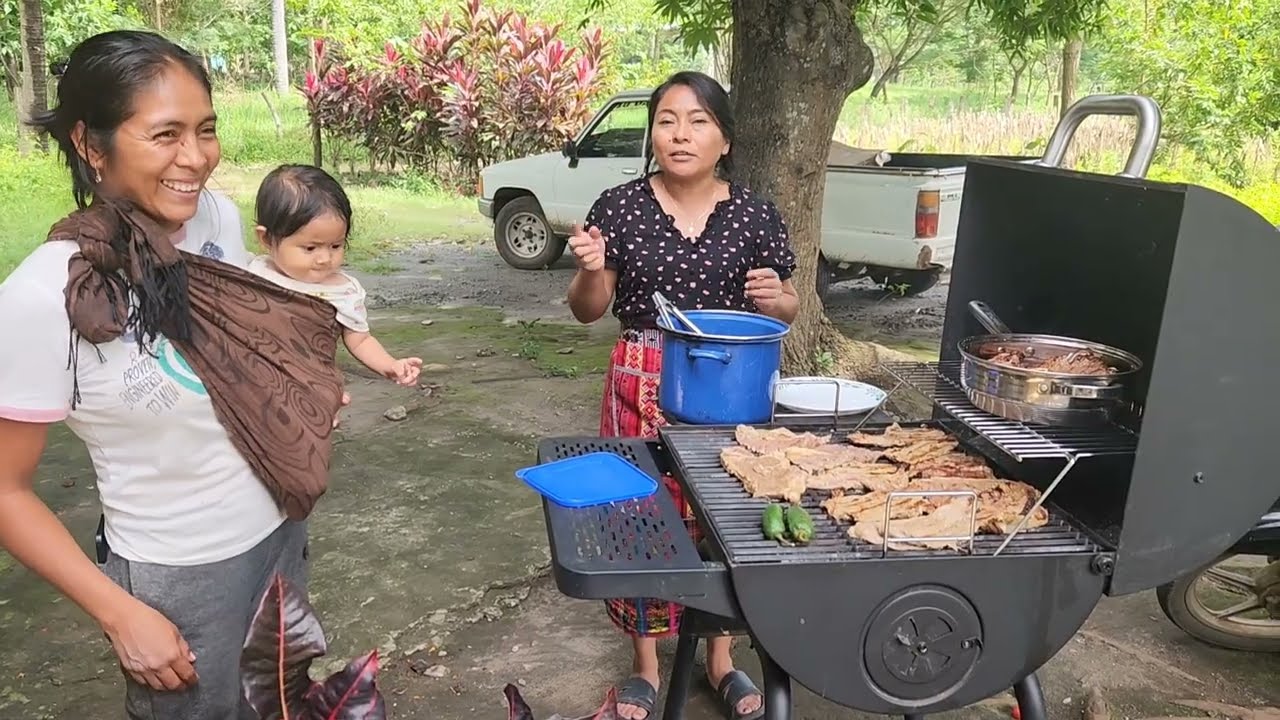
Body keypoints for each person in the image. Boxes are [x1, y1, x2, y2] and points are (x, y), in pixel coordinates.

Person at [0, 30, 346, 720]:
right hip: (177, 572)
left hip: (278, 526)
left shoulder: (214, 218)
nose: (197, 159)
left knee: (279, 703)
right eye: (165, 135)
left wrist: (303, 390)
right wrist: (119, 614)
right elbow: (6, 490)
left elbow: (239, 349)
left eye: (207, 130)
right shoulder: (43, 297)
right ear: (90, 145)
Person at [565, 70, 800, 720]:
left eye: (697, 120)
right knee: (636, 514)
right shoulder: (618, 206)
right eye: (667, 120)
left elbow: (787, 307)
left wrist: (775, 299)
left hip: (730, 384)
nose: (680, 134)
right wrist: (589, 272)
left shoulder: (755, 213)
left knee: (723, 518)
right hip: (639, 374)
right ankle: (645, 665)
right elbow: (589, 310)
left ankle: (720, 659)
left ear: (724, 138)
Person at [247, 164, 422, 386]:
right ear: (266, 239)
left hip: (313, 390)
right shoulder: (251, 272)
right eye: (310, 248)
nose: (324, 258)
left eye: (336, 246)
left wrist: (391, 365)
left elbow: (360, 340)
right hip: (255, 384)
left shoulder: (344, 292)